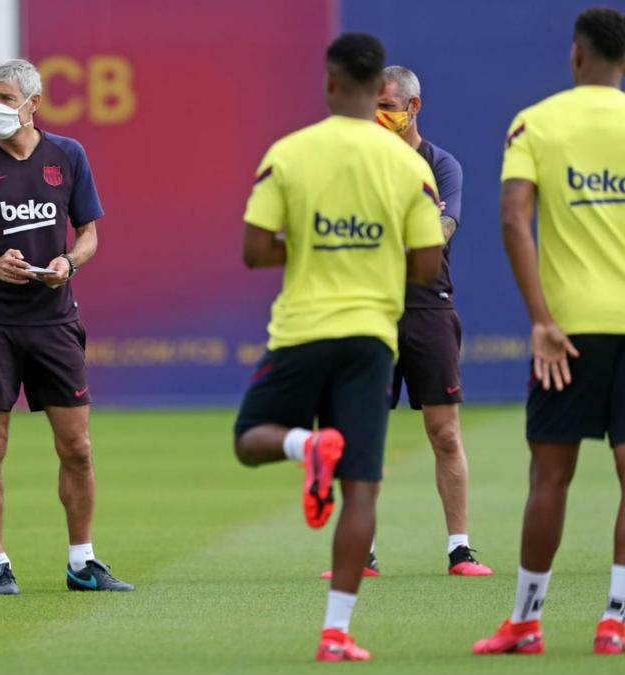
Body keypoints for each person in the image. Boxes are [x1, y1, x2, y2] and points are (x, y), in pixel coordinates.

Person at [233, 33, 444, 661]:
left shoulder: (290, 153)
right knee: (362, 489)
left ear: (329, 83)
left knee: (251, 441)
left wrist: (317, 246)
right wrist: (371, 254)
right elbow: (429, 267)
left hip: (301, 329)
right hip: (371, 338)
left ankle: (305, 445)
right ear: (380, 86)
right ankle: (337, 634)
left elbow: (253, 250)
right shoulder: (411, 165)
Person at [0, 58, 133, 597]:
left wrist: (68, 263)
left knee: (78, 447)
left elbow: (88, 234)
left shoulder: (68, 155)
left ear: (33, 103)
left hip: (54, 320)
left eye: (3, 97)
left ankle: (82, 562)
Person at [474, 6, 625, 656]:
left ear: (575, 55)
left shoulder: (535, 121)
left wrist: (540, 318)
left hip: (567, 330)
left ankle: (526, 622)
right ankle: (616, 618)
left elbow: (514, 219)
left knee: (550, 477)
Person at [321, 65, 491, 580]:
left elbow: (441, 230)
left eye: (388, 103)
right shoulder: (356, 163)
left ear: (413, 107)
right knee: (361, 432)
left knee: (444, 431)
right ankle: (360, 552)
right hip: (370, 308)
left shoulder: (441, 165)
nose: (378, 113)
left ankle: (459, 550)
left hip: (427, 308)